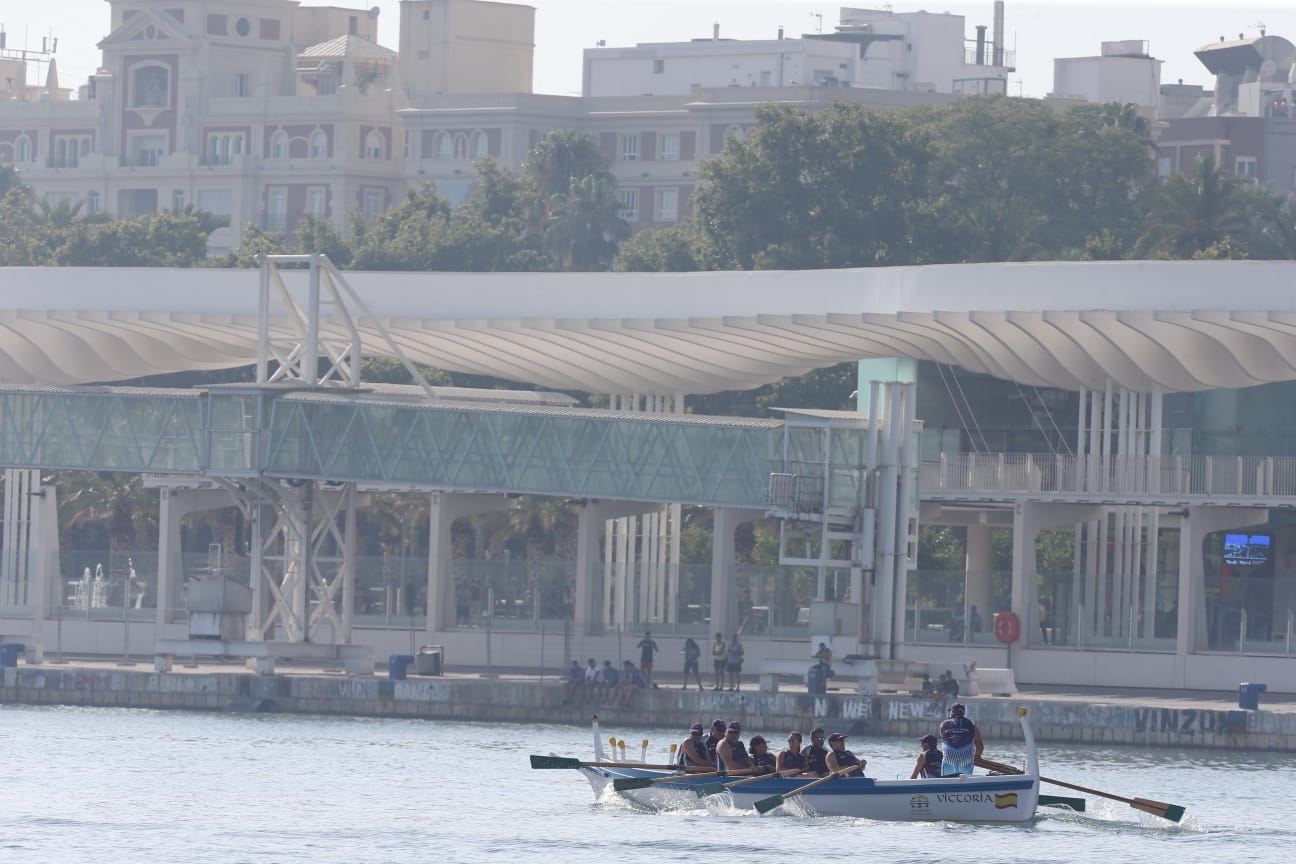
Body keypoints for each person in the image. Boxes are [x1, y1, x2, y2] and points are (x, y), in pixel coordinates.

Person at [939, 702, 984, 776]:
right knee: (965, 783)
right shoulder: (971, 724)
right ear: (963, 713)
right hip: (966, 764)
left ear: (952, 712)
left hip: (948, 763)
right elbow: (980, 746)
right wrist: (976, 756)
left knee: (947, 784)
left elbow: (943, 741)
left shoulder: (943, 724)